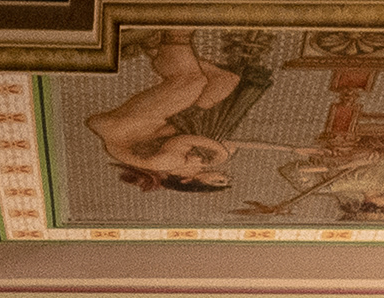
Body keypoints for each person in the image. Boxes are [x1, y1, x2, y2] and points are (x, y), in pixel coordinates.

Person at [86, 29, 291, 192]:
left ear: (186, 179)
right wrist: (293, 150)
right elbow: (235, 144)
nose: (205, 165)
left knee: (190, 81)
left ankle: (177, 34)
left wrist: (220, 153)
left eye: (214, 178)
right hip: (142, 127)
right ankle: (156, 49)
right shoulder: (172, 163)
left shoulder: (166, 164)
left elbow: (182, 141)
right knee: (225, 82)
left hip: (128, 126)